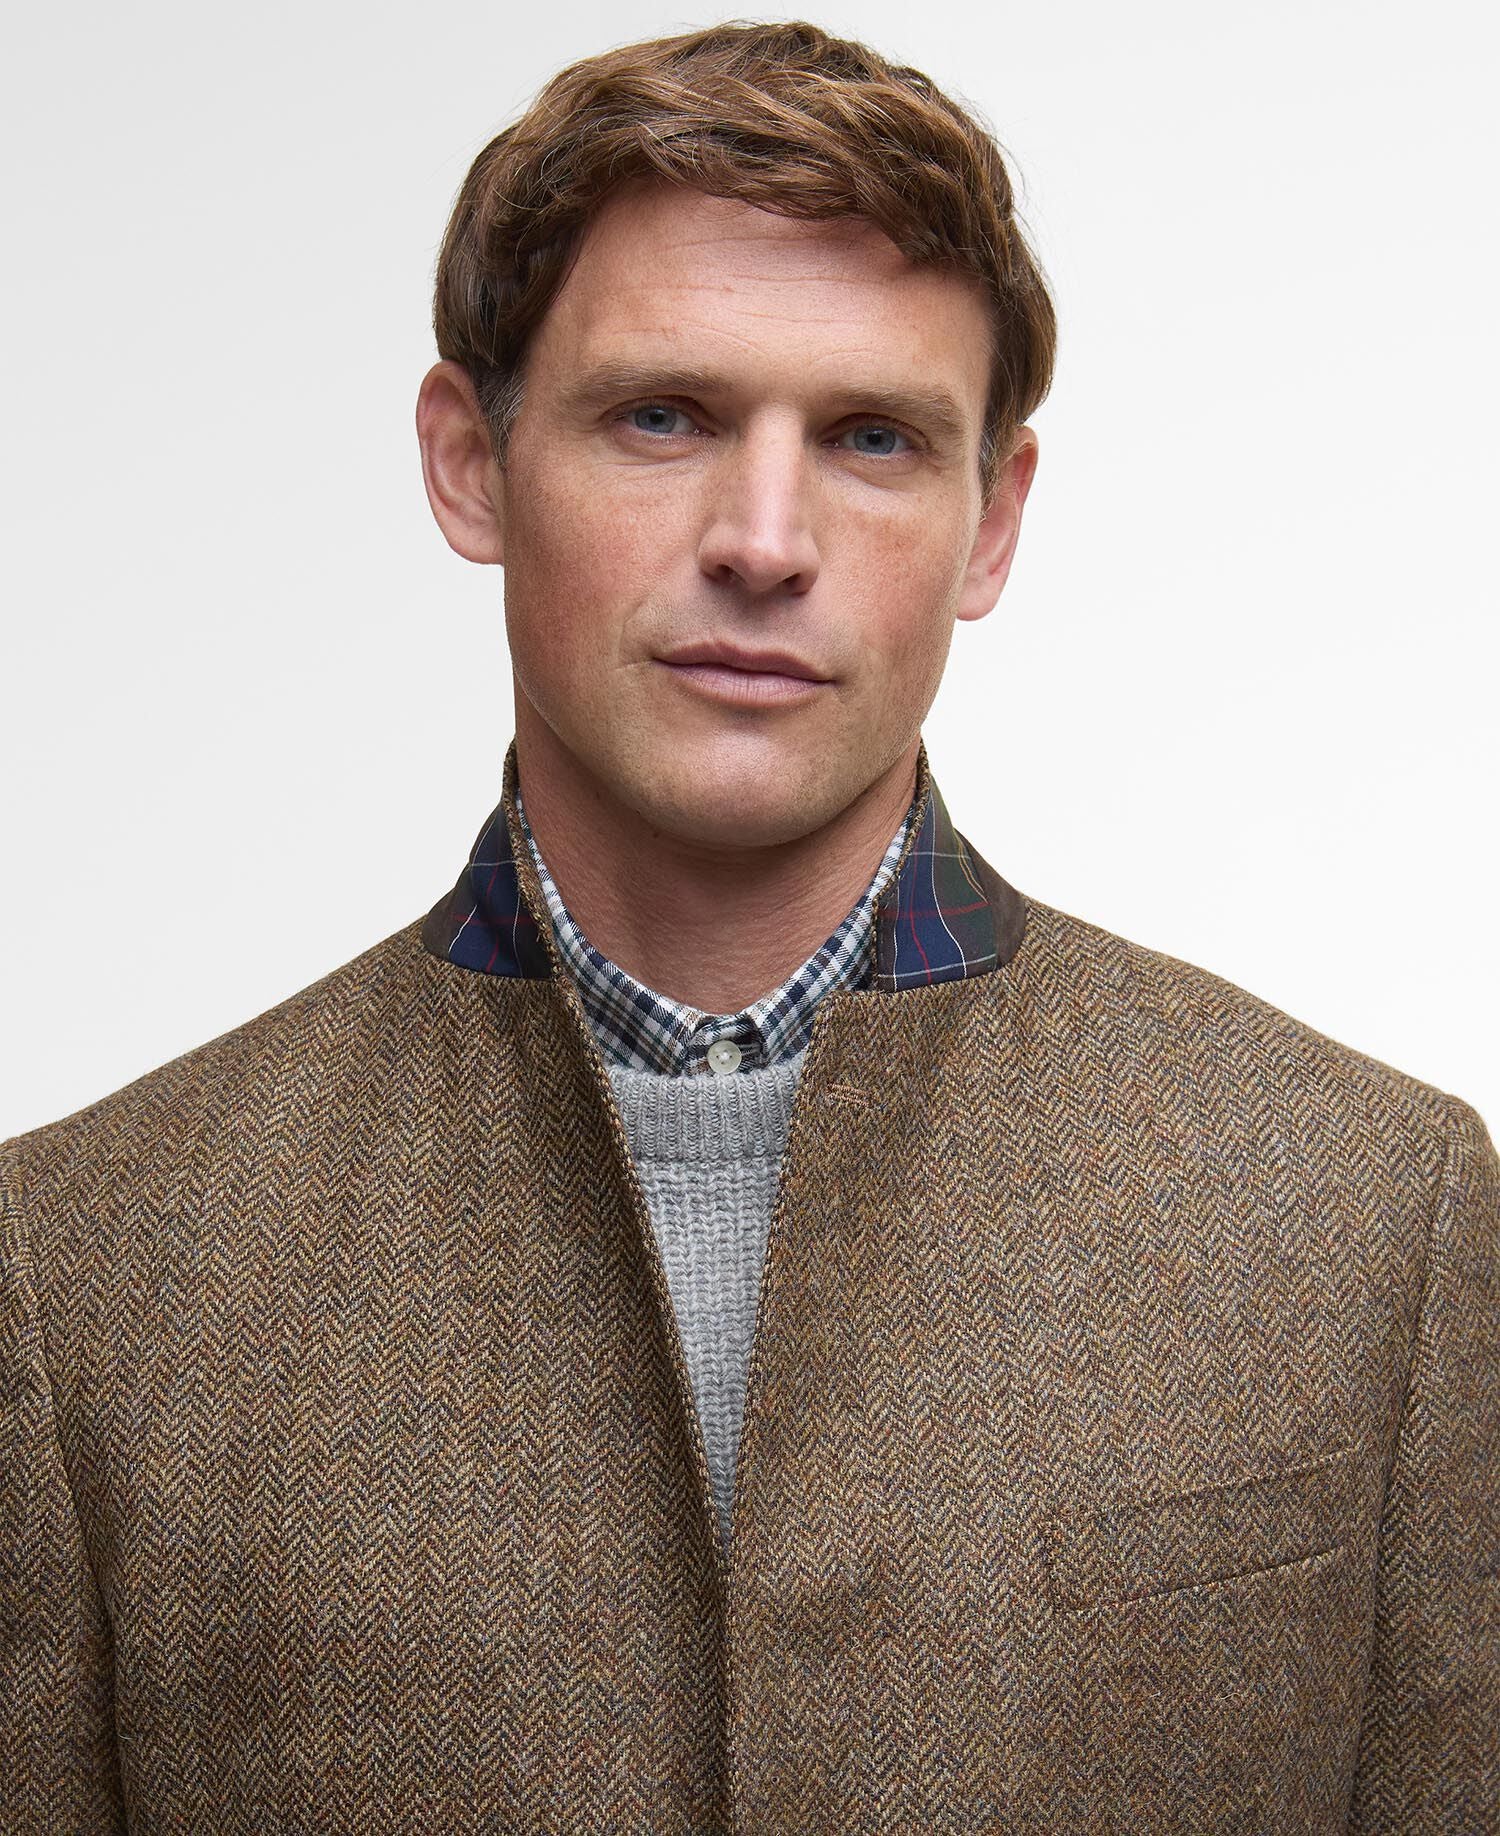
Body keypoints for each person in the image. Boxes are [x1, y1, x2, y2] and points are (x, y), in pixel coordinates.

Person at [2, 18, 1494, 1831]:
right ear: (471, 462)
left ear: (992, 521)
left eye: (872, 437)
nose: (765, 540)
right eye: (664, 416)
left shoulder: (1369, 1213)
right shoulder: (83, 1278)